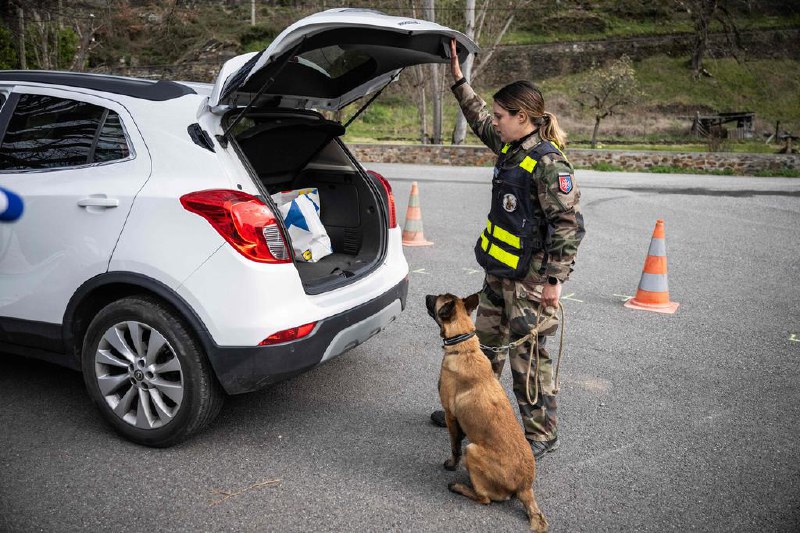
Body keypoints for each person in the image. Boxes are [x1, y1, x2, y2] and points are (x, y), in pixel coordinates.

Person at [430, 39, 586, 459]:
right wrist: (459, 81)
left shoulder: (550, 163)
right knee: (484, 346)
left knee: (527, 357)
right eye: (497, 115)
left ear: (523, 117)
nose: (495, 122)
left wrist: (555, 280)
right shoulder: (510, 146)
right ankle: (471, 410)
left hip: (532, 281)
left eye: (503, 116)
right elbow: (479, 117)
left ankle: (540, 433)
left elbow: (568, 224)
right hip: (500, 271)